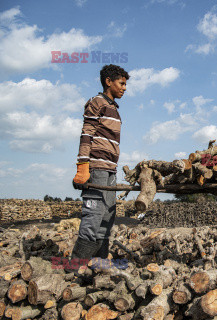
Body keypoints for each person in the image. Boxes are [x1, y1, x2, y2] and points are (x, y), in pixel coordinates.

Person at [70, 64, 129, 270]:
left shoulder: (114, 109)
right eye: (121, 83)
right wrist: (83, 165)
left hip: (110, 169)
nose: (124, 88)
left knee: (107, 216)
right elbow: (86, 134)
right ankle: (74, 267)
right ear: (108, 82)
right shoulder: (97, 103)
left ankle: (98, 263)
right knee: (93, 216)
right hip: (96, 168)